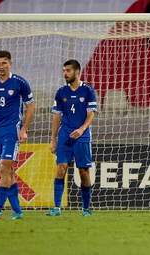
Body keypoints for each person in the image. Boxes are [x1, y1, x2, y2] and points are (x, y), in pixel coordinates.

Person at [0, 51, 35, 219]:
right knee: (6, 172)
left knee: (6, 164)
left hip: (11, 131)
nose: (1, 66)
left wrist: (24, 129)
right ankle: (18, 212)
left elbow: (31, 107)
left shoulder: (19, 83)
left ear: (10, 64)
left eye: (4, 63)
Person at [46, 59, 97, 217]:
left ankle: (86, 208)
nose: (65, 74)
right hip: (64, 136)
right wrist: (53, 139)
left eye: (68, 71)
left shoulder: (88, 90)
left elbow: (91, 114)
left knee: (83, 172)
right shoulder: (61, 92)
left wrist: (81, 129)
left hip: (82, 137)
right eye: (64, 71)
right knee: (61, 169)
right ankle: (56, 208)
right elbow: (56, 116)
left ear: (77, 72)